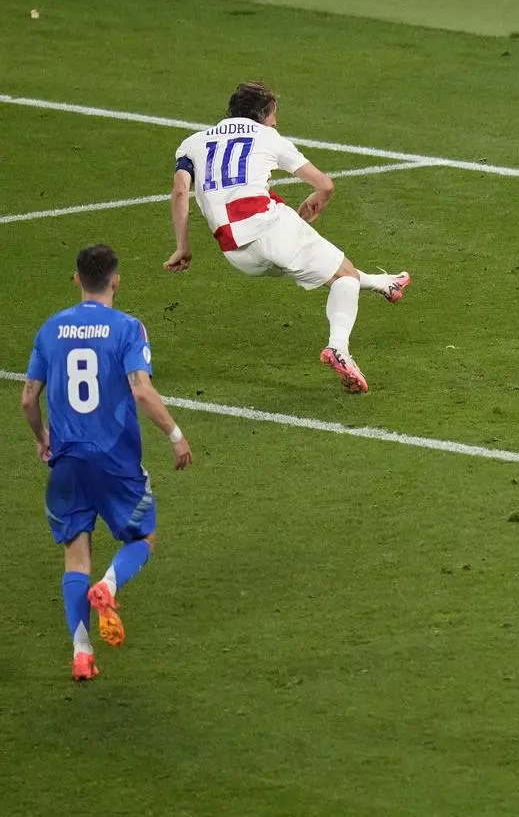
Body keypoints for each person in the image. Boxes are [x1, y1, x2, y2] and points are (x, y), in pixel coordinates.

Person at [165, 81, 411, 394]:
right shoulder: (267, 137)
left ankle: (383, 283)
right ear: (260, 115)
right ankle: (339, 349)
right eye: (272, 115)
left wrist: (182, 246)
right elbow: (325, 183)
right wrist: (319, 197)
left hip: (235, 252)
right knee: (343, 277)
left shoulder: (192, 143)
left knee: (329, 267)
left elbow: (179, 191)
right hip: (267, 226)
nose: (275, 122)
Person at [21, 243, 194, 681]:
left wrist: (42, 438)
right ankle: (110, 585)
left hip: (67, 462)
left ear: (77, 279)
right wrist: (175, 435)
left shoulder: (50, 328)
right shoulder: (128, 328)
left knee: (75, 559)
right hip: (115, 461)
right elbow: (141, 389)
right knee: (145, 536)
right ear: (116, 279)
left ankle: (81, 652)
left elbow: (27, 398)